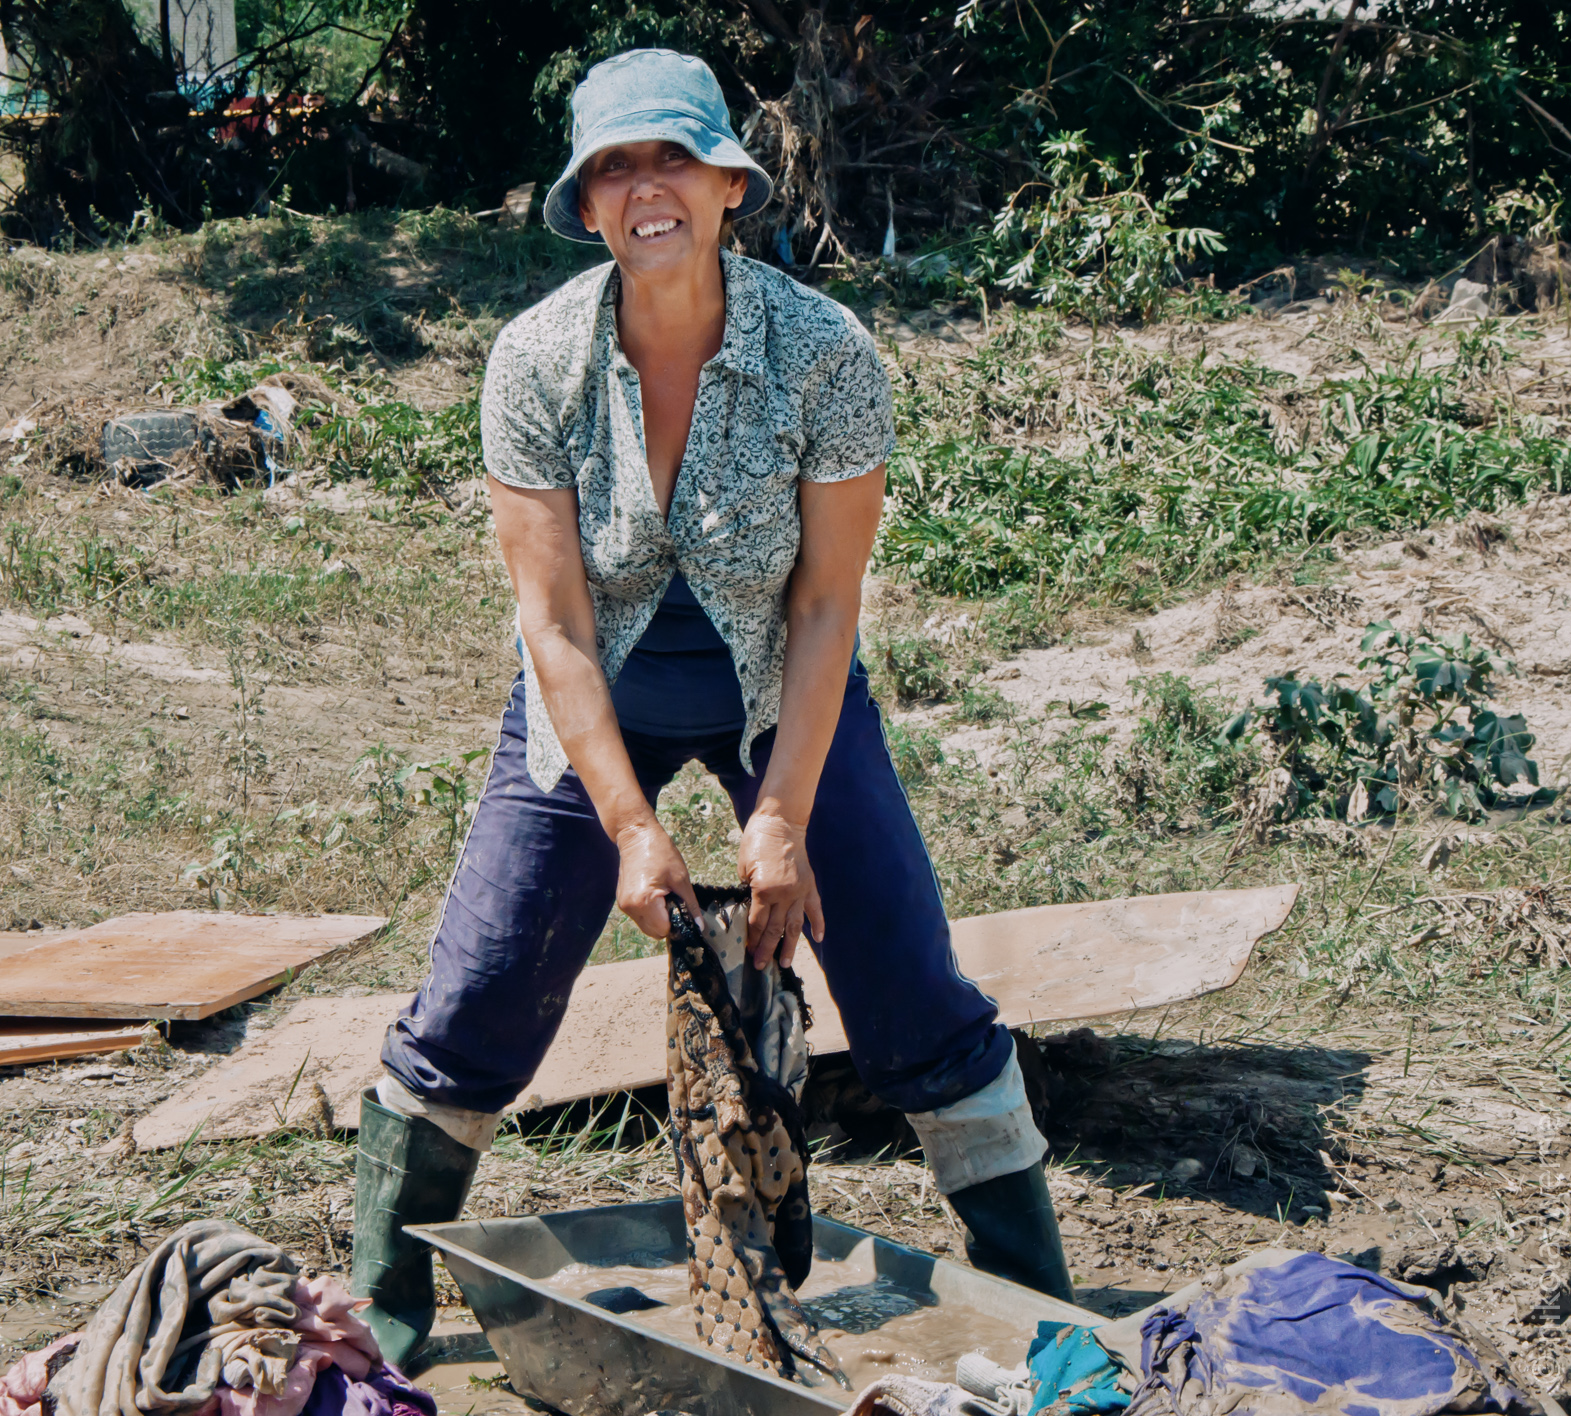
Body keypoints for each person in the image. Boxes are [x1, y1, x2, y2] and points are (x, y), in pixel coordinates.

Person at [350, 47, 1073, 1367]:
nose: (646, 190)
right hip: (593, 705)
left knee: (911, 985)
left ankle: (1044, 1303)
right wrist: (630, 826)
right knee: (480, 995)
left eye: (670, 159)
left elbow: (822, 609)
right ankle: (384, 1323)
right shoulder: (537, 364)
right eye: (613, 168)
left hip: (780, 691)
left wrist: (784, 812)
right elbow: (557, 626)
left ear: (729, 183)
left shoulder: (823, 353)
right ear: (586, 203)